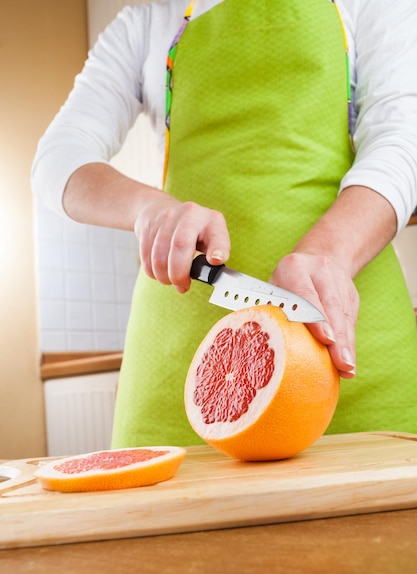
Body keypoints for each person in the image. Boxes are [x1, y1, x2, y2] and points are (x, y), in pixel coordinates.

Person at [32, 0, 417, 447]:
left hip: (350, 349)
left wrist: (329, 253)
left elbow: (403, 137)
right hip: (178, 363)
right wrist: (148, 209)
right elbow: (58, 157)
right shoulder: (147, 18)